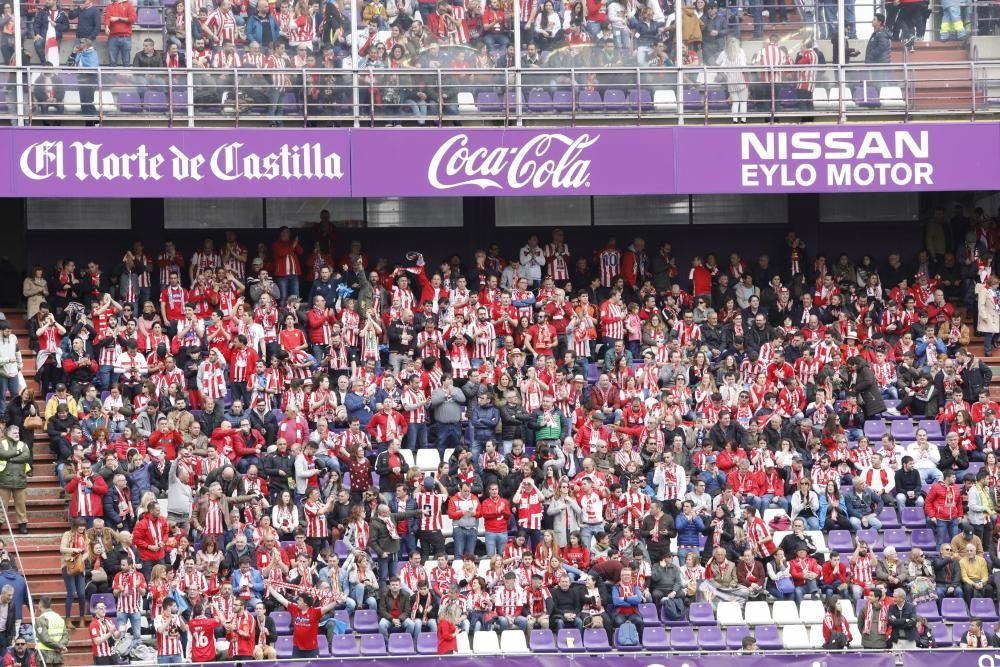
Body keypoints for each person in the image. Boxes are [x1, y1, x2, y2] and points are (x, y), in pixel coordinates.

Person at [268, 587, 338, 658]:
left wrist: (337, 602)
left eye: (300, 600)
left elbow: (327, 608)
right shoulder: (295, 608)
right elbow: (280, 598)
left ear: (305, 603)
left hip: (312, 649)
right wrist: (270, 588)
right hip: (297, 649)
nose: (297, 601)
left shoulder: (315, 612)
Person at [0, 425, 29, 534]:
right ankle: (0, 522)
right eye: (14, 433)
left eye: (18, 432)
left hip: (19, 479)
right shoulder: (2, 443)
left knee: (21, 504)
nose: (17, 434)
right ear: (7, 433)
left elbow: (26, 456)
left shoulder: (23, 444)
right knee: (2, 505)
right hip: (3, 479)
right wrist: (17, 453)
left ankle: (22, 524)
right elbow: (2, 454)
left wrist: (10, 459)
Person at [34, 596, 68, 667]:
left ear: (40, 604)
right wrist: (60, 646)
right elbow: (66, 636)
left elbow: (45, 639)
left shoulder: (41, 619)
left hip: (44, 655)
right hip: (58, 655)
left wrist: (60, 646)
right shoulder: (59, 617)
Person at [87, 600, 121, 665]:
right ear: (95, 610)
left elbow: (116, 635)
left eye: (104, 608)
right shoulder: (93, 624)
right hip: (101, 655)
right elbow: (97, 641)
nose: (104, 610)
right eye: (101, 608)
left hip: (112, 653)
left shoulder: (109, 620)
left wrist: (121, 631)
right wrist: (110, 633)